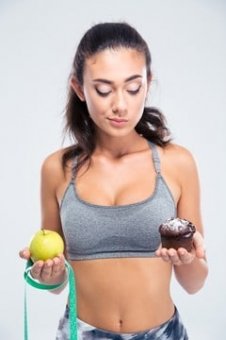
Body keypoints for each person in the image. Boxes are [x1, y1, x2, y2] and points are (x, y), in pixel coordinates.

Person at [20, 22, 208, 339]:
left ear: (147, 84)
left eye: (133, 88)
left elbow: (195, 282)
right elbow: (55, 284)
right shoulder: (57, 168)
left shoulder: (177, 163)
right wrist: (47, 272)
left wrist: (189, 258)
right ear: (79, 88)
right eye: (104, 90)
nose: (120, 104)